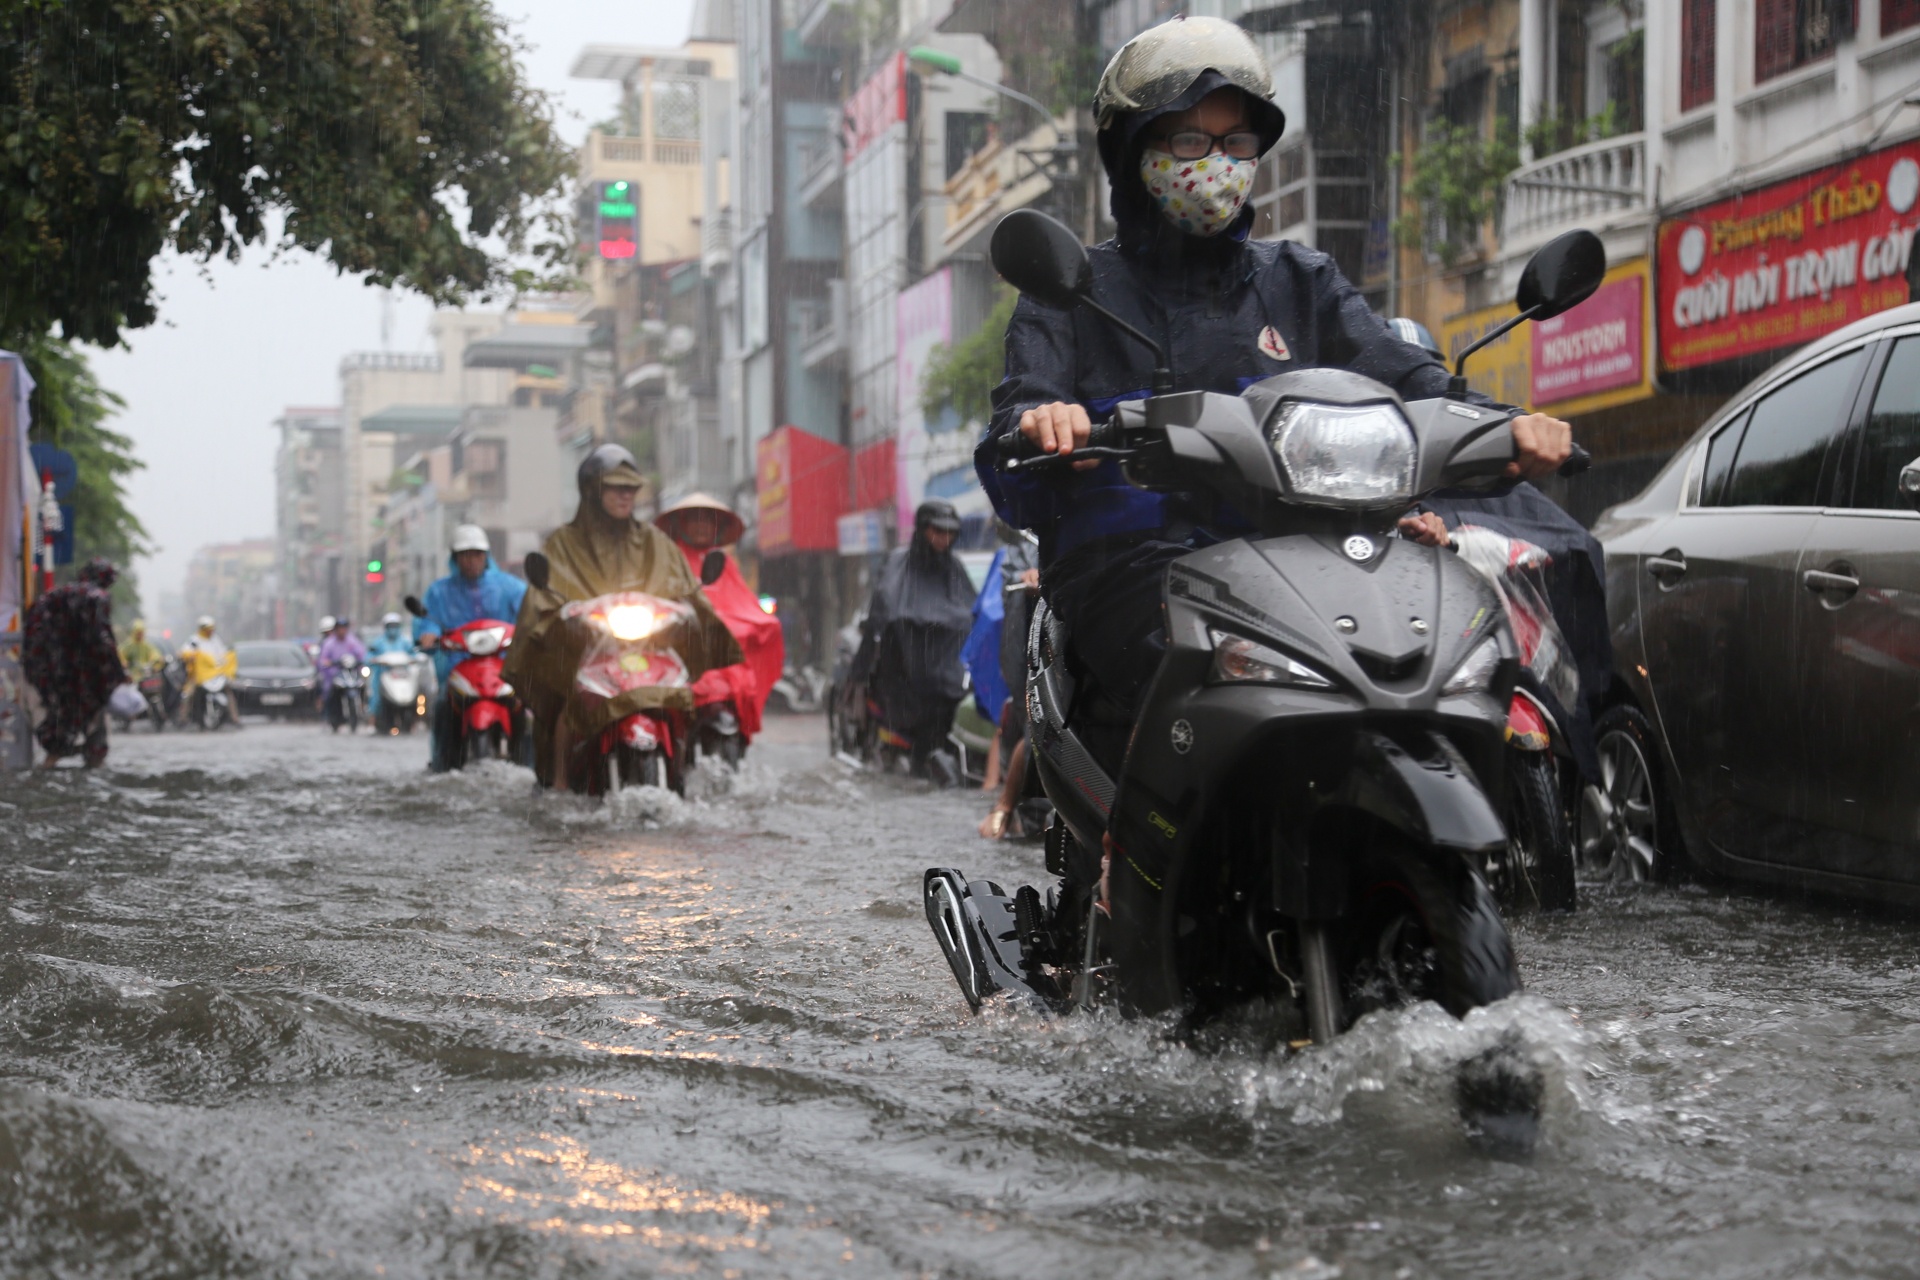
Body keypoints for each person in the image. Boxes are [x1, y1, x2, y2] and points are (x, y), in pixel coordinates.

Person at [976, 15, 1572, 775]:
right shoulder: (1075, 294)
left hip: (1306, 560)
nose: (1216, 163)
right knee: (1184, 669)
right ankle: (1131, 849)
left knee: (1452, 655)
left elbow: (1407, 378)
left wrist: (1505, 426)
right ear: (1134, 156)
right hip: (1131, 565)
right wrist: (1045, 427)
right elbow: (1018, 425)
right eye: (1189, 142)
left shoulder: (1301, 281)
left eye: (1235, 144)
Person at [504, 445, 739, 791]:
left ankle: (685, 772)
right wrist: (564, 620)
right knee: (569, 703)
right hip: (589, 650)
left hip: (650, 648)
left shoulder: (654, 542)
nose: (625, 495)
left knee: (687, 700)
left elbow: (685, 590)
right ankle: (560, 783)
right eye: (616, 488)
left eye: (630, 489)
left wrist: (690, 614)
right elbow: (543, 602)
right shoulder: (563, 544)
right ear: (592, 491)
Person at [850, 499, 975, 784]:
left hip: (951, 680)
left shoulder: (953, 568)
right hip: (906, 679)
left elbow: (973, 613)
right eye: (937, 531)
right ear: (922, 530)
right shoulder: (898, 564)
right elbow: (883, 613)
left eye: (950, 532)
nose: (944, 539)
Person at [653, 493, 785, 749]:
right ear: (682, 524)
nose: (702, 526)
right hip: (682, 644)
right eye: (695, 519)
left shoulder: (724, 562)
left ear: (717, 527)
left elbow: (743, 605)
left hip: (721, 646)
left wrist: (755, 623)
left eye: (708, 520)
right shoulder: (669, 559)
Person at [415, 524, 528, 769]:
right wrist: (428, 634)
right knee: (444, 707)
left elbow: (531, 617)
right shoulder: (439, 591)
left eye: (477, 554)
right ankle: (443, 765)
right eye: (465, 555)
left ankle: (535, 769)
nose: (471, 561)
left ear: (486, 556)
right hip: (459, 670)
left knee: (530, 708)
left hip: (506, 669)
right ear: (455, 558)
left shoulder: (511, 588)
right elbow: (428, 621)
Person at [22, 558, 127, 767]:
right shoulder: (97, 597)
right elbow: (102, 640)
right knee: (93, 719)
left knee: (58, 716)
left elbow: (33, 629)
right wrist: (118, 674)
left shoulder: (53, 595)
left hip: (48, 670)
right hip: (82, 673)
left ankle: (51, 760)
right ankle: (94, 760)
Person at [179, 615, 241, 729]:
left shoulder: (215, 640)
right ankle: (183, 718)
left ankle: (234, 718)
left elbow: (223, 654)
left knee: (229, 691)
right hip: (199, 676)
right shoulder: (194, 640)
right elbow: (185, 651)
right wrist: (191, 656)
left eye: (211, 629)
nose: (210, 631)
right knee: (188, 694)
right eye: (207, 629)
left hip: (216, 674)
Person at [315, 617, 367, 726]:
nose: (342, 631)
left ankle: (363, 709)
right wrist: (330, 663)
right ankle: (332, 716)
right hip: (335, 674)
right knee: (330, 693)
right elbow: (323, 660)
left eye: (344, 628)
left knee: (364, 687)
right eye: (339, 628)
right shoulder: (329, 643)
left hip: (351, 674)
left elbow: (361, 654)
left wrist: (361, 662)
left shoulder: (352, 641)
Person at [367, 611, 417, 724]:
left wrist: (414, 659)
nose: (392, 628)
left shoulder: (405, 642)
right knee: (375, 695)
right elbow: (370, 655)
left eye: (395, 626)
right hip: (384, 674)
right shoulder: (379, 642)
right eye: (390, 626)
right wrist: (373, 659)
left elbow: (413, 654)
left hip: (402, 675)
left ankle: (415, 720)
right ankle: (373, 718)